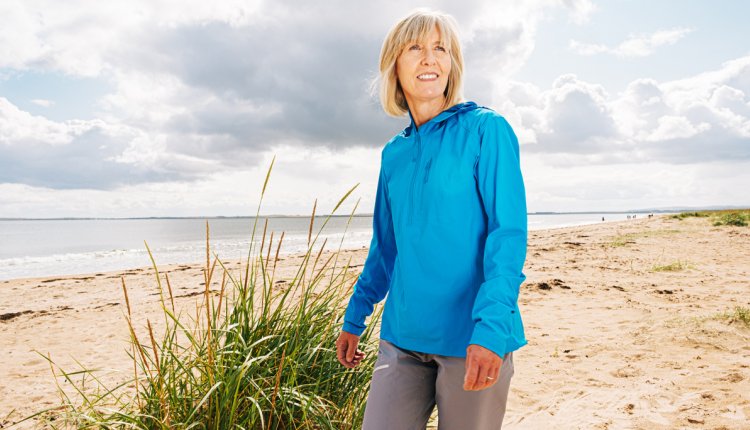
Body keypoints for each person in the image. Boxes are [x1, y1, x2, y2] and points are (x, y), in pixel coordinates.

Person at [335, 9, 528, 430]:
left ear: (452, 64)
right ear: (395, 66)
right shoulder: (393, 154)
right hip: (402, 337)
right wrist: (355, 315)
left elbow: (507, 237)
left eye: (441, 48)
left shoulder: (486, 130)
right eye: (416, 48)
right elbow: (386, 248)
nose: (429, 59)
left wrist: (491, 330)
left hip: (472, 336)